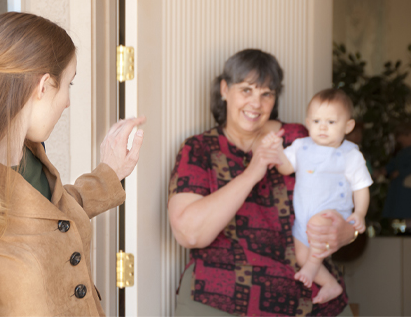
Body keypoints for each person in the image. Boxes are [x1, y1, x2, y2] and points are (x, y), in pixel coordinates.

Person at [0, 12, 145, 316]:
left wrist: (109, 173)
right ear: (43, 86)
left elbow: (53, 212)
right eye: (69, 85)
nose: (68, 102)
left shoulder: (31, 160)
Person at [168, 49, 357, 316]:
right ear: (224, 89)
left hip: (307, 297)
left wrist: (349, 232)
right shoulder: (200, 149)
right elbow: (190, 233)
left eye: (266, 93)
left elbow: (350, 195)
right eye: (246, 90)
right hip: (220, 296)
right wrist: (252, 172)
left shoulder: (302, 140)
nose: (256, 104)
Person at [262, 89, 372, 304]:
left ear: (348, 126)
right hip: (304, 217)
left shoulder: (351, 155)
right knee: (302, 256)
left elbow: (361, 187)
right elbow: (285, 168)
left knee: (314, 240)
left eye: (331, 122)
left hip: (332, 214)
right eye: (316, 121)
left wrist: (360, 213)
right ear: (307, 122)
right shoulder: (301, 146)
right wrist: (276, 152)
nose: (322, 127)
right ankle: (330, 284)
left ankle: (313, 267)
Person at [382, 122, 411, 219]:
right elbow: (393, 164)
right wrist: (385, 170)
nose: (399, 140)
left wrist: (401, 172)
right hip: (398, 187)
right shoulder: (401, 152)